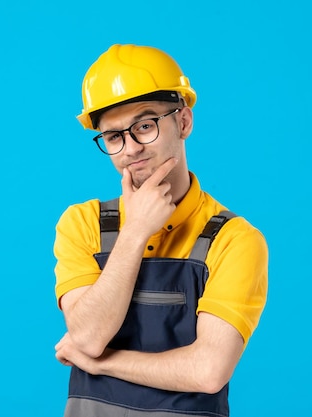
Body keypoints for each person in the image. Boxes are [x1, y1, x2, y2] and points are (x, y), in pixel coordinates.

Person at [53, 44, 268, 417]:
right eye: (114, 136)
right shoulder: (82, 222)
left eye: (145, 126)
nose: (131, 148)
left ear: (183, 122)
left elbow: (207, 372)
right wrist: (136, 230)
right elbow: (88, 336)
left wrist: (103, 364)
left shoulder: (235, 240)